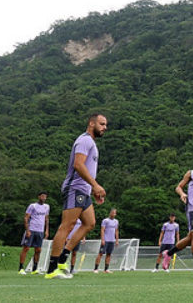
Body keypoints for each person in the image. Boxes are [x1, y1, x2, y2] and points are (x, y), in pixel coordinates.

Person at [45, 113, 108, 280]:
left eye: (105, 125)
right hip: (75, 188)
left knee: (89, 223)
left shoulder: (91, 143)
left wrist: (93, 189)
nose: (105, 127)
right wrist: (95, 185)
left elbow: (86, 168)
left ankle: (63, 259)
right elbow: (78, 165)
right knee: (67, 225)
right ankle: (52, 269)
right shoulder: (85, 140)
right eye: (101, 124)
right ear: (91, 123)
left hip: (85, 190)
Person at [18, 192, 50, 274]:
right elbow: (26, 218)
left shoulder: (47, 207)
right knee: (26, 248)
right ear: (38, 197)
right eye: (42, 196)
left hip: (40, 231)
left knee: (38, 250)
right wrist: (28, 230)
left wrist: (47, 230)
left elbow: (46, 219)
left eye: (45, 196)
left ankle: (35, 269)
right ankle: (21, 268)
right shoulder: (33, 206)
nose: (44, 197)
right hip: (32, 229)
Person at [93, 208, 120, 273]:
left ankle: (106, 269)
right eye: (113, 212)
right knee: (101, 253)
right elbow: (102, 230)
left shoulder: (116, 221)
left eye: (115, 213)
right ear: (110, 213)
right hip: (106, 240)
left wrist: (117, 240)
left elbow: (116, 231)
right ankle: (96, 269)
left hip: (112, 240)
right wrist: (103, 239)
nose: (114, 214)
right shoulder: (105, 220)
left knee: (109, 254)